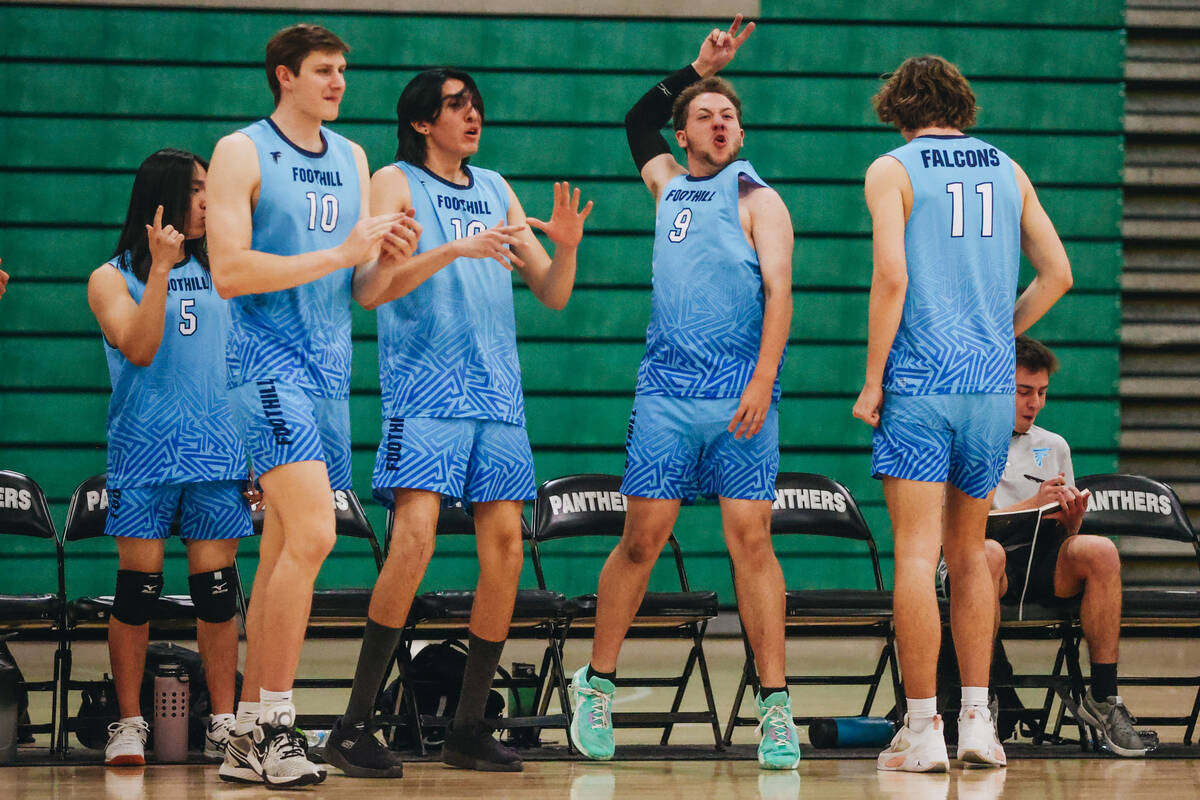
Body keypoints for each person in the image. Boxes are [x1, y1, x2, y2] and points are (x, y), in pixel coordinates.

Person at [321, 67, 592, 777]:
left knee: (504, 549)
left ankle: (468, 728)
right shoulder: (395, 183)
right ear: (420, 121)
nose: (472, 115)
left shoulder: (499, 187)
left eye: (476, 104)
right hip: (426, 394)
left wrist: (564, 245)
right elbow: (371, 289)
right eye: (455, 105)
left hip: (499, 398)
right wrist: (448, 250)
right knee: (412, 542)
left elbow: (555, 295)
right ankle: (352, 727)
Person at [567, 16, 800, 770]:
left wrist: (764, 380)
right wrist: (694, 68)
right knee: (642, 541)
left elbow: (781, 294)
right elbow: (635, 120)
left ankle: (774, 706)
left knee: (751, 541)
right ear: (685, 133)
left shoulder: (760, 200)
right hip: (666, 397)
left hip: (740, 398)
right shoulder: (667, 184)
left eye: (728, 113)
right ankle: (596, 684)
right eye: (705, 114)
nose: (720, 121)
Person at [205, 23, 417, 787]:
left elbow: (358, 289)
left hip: (330, 375)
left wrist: (392, 263)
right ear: (283, 76)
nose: (338, 83)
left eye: (342, 72)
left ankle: (245, 736)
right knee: (319, 535)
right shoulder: (241, 151)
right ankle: (279, 725)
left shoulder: (354, 158)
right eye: (324, 70)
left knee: (283, 552)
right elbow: (228, 271)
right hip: (264, 365)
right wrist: (339, 252)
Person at [852, 55, 1074, 772]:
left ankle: (923, 729)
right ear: (961, 103)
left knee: (916, 558)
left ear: (899, 106)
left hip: (921, 382)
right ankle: (979, 722)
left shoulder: (893, 168)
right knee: (969, 556)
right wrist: (999, 331)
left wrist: (871, 377)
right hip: (986, 385)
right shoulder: (1007, 169)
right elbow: (1060, 274)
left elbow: (892, 276)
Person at [87, 148, 252, 767]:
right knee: (138, 592)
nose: (209, 202)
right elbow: (140, 346)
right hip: (145, 453)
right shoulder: (111, 277)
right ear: (163, 198)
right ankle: (128, 723)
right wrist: (159, 270)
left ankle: (225, 721)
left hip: (219, 452)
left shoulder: (224, 273)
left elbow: (242, 366)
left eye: (211, 189)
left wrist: (257, 452)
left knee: (216, 593)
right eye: (198, 190)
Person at [984, 335, 1147, 756]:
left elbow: (1067, 539)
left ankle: (1104, 698)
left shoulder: (1053, 445)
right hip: (983, 567)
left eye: (1041, 393)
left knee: (1100, 549)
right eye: (1023, 392)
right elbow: (958, 529)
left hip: (1042, 564)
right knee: (987, 554)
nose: (1034, 403)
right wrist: (1030, 504)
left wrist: (1072, 520)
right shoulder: (969, 440)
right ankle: (979, 701)